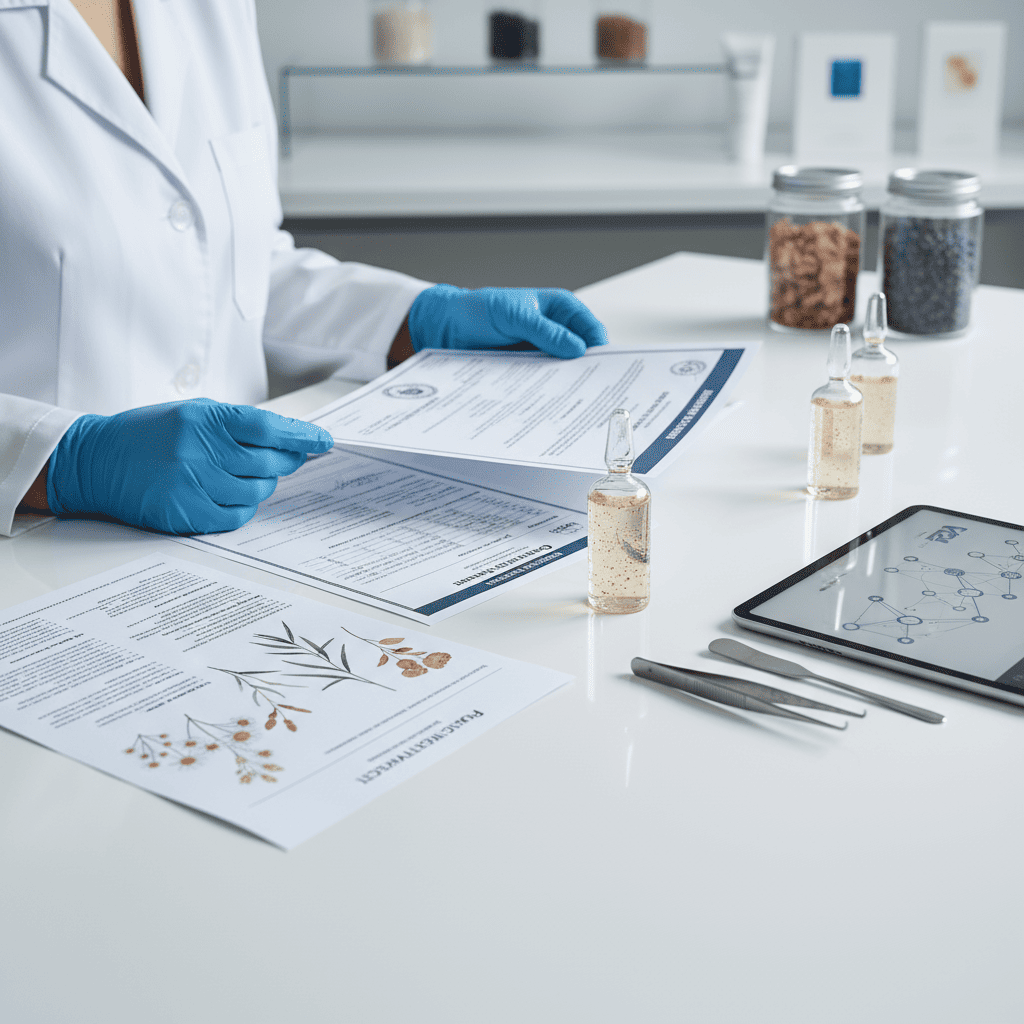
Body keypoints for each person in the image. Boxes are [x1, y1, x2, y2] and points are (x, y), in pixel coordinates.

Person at [0, 0, 606, 538]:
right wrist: (64, 462)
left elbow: (217, 267)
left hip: (239, 543)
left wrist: (410, 320)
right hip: (33, 561)